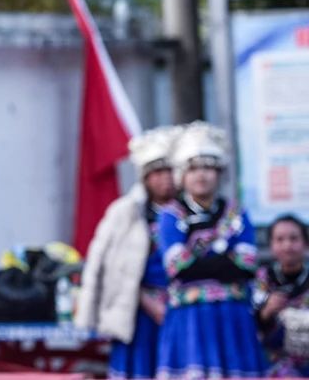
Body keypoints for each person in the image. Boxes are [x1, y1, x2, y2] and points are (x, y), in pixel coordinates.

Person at [155, 122, 265, 379]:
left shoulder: (237, 212)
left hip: (233, 318)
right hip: (189, 321)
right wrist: (225, 259)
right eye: (193, 168)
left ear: (219, 172)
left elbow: (247, 264)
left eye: (208, 167)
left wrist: (197, 260)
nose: (201, 175)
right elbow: (177, 267)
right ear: (182, 176)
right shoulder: (170, 216)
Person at [77, 125, 181, 378]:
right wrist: (146, 300)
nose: (165, 179)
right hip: (137, 312)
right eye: (157, 172)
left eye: (169, 171)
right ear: (145, 177)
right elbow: (104, 264)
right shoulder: (126, 212)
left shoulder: (189, 213)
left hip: (182, 309)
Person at [254, 214, 309, 376]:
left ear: (306, 244)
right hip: (272, 362)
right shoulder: (262, 279)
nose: (287, 245)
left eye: (294, 238)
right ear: (271, 245)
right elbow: (251, 323)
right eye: (280, 239)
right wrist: (266, 311)